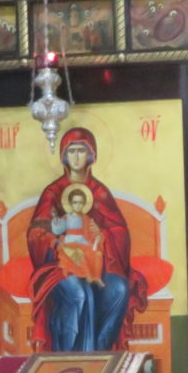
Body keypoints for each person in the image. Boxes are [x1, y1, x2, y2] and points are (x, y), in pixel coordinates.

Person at [27, 127, 147, 352]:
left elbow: (119, 231)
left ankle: (99, 352)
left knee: (119, 289)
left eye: (82, 151)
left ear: (91, 155)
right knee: (80, 294)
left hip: (96, 262)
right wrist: (59, 245)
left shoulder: (99, 193)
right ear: (63, 155)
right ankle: (70, 355)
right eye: (71, 151)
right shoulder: (53, 192)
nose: (76, 156)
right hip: (60, 265)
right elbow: (36, 233)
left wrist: (101, 237)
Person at [53, 184, 104, 285]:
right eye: (75, 202)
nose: (77, 205)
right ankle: (88, 276)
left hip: (83, 241)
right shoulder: (66, 217)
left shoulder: (86, 219)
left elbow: (94, 232)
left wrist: (98, 236)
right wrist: (56, 223)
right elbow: (58, 231)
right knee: (78, 253)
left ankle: (96, 277)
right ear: (71, 204)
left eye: (80, 203)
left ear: (84, 204)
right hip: (70, 242)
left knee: (97, 254)